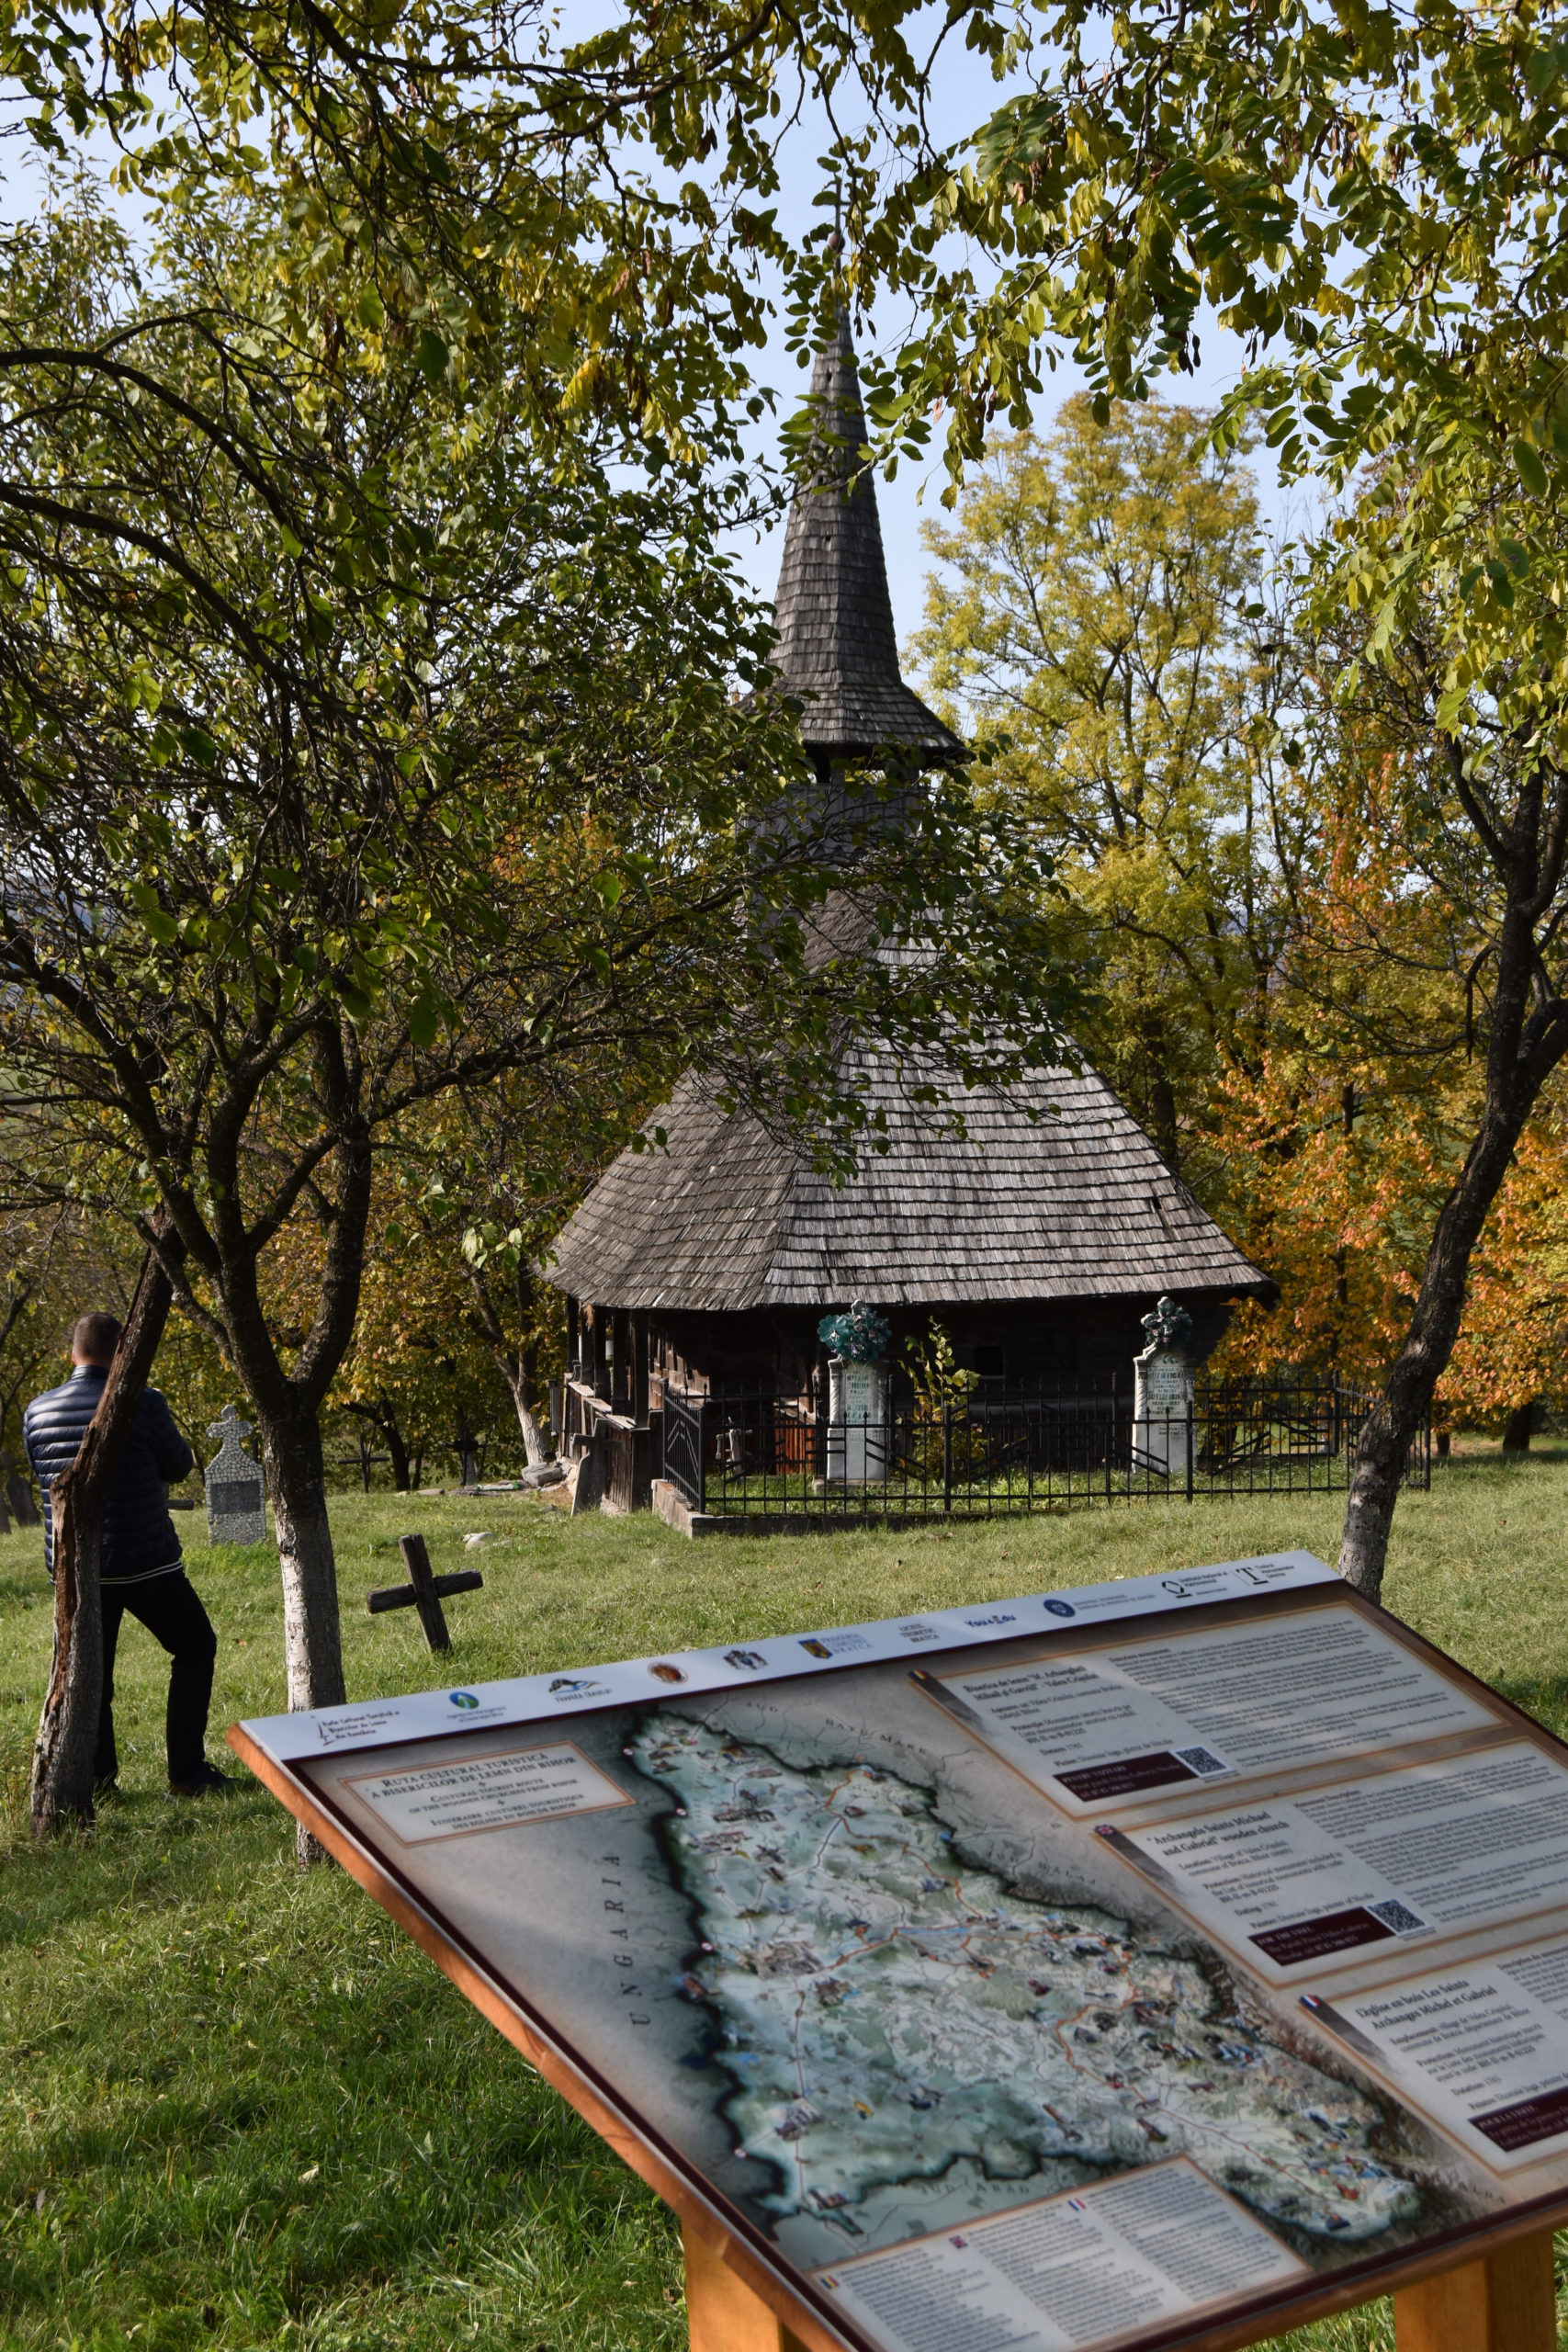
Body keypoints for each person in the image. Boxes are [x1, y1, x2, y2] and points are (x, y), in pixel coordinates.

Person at [23, 1310, 235, 1798]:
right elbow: (179, 1466)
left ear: (72, 1354)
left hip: (76, 1568)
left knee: (93, 1674)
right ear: (121, 1352)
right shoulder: (144, 1400)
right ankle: (187, 1772)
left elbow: (45, 1477)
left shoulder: (36, 1411)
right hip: (145, 1559)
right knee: (195, 1645)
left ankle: (100, 1783)